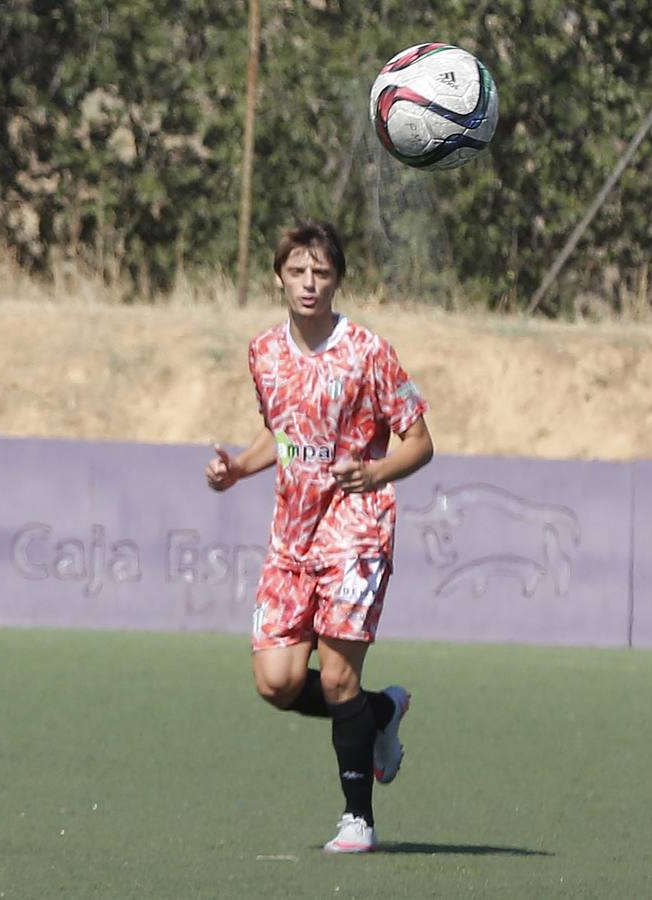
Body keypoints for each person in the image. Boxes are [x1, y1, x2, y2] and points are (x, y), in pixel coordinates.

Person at [204, 222, 434, 854]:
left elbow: (420, 443)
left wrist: (375, 471)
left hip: (355, 530)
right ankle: (379, 714)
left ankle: (357, 818)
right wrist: (236, 471)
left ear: (337, 281)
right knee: (276, 682)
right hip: (291, 537)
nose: (309, 284)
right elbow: (279, 434)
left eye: (322, 273)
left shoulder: (368, 351)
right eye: (298, 272)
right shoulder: (262, 353)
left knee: (335, 679)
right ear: (278, 276)